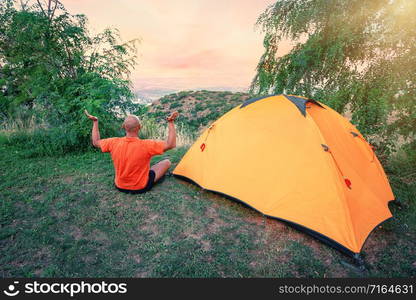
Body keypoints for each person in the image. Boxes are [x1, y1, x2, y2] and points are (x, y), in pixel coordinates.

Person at [84, 110, 179, 194]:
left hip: (120, 186)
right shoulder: (146, 145)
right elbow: (171, 144)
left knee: (152, 167)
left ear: (123, 127)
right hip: (141, 187)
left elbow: (96, 142)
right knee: (166, 162)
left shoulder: (113, 142)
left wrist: (95, 122)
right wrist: (170, 122)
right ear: (140, 127)